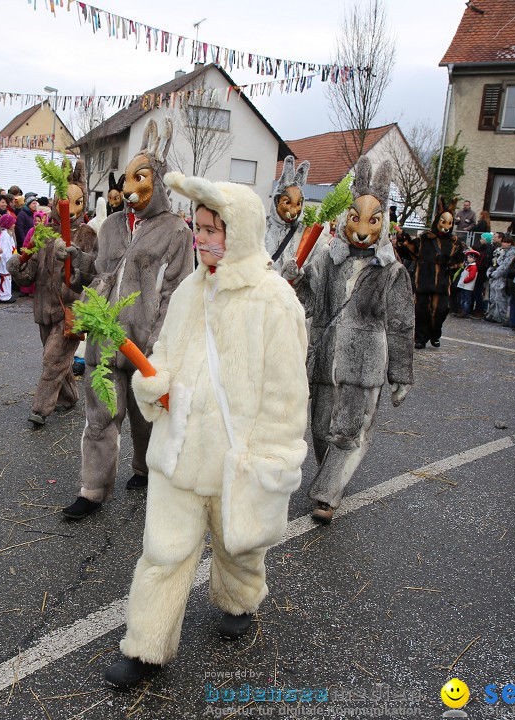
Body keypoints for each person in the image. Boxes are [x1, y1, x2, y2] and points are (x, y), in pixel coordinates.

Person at [103, 171, 308, 689]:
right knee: (164, 551)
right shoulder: (191, 290)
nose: (204, 238)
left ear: (240, 231)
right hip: (179, 449)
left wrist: (273, 461)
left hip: (236, 457)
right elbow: (167, 355)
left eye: (216, 229)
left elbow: (287, 396)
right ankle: (147, 646)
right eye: (200, 227)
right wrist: (156, 385)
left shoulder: (276, 302)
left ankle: (239, 599)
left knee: (237, 544)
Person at [60, 119, 195, 520]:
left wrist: (158, 341)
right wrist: (79, 263)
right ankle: (93, 489)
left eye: (142, 178)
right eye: (128, 179)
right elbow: (105, 273)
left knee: (144, 418)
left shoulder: (176, 232)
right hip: (104, 337)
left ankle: (144, 469)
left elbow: (175, 290)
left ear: (158, 181)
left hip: (143, 343)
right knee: (100, 415)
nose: (131, 188)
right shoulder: (114, 225)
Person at [283, 155, 413, 524]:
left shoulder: (393, 272)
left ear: (383, 223)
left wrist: (401, 375)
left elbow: (402, 324)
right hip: (324, 359)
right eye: (355, 217)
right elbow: (307, 302)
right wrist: (295, 280)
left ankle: (327, 494)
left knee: (349, 432)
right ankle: (333, 476)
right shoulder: (327, 259)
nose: (361, 228)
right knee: (322, 431)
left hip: (365, 364)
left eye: (372, 220)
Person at [6, 162, 97, 427]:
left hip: (72, 309)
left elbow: (95, 272)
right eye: (64, 200)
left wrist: (76, 259)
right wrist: (17, 266)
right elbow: (29, 274)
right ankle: (68, 398)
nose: (71, 207)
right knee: (59, 360)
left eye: (77, 201)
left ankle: (40, 409)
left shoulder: (88, 234)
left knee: (52, 359)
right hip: (43, 309)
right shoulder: (42, 232)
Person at [403, 200, 463, 349]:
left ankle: (435, 334)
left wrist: (447, 261)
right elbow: (410, 253)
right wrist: (403, 241)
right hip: (423, 282)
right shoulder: (424, 240)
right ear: (437, 221)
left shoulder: (455, 244)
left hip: (441, 284)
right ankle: (420, 338)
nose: (446, 227)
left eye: (450, 223)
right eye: (443, 222)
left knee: (440, 311)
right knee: (420, 311)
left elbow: (460, 262)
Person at [0, 213, 17, 303]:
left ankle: (8, 294)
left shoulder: (8, 235)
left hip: (8, 260)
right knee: (5, 278)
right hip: (5, 261)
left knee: (8, 278)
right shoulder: (5, 236)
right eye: (13, 223)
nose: (14, 225)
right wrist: (8, 260)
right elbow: (5, 251)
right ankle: (4, 296)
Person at [455, 249, 480, 317]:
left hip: (467, 286)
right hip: (464, 285)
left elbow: (471, 276)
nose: (468, 258)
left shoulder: (473, 267)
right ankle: (462, 310)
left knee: (466, 299)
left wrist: (465, 280)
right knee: (463, 299)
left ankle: (465, 311)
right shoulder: (469, 266)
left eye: (469, 257)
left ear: (473, 258)